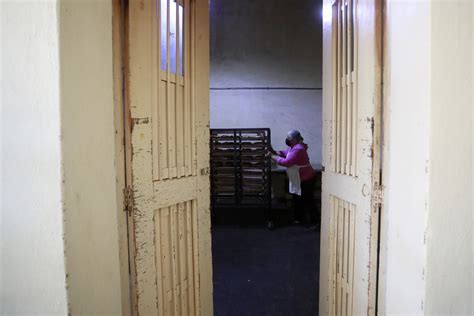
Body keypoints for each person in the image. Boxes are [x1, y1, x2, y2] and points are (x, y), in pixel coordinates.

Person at [268, 130, 316, 226]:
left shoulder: (298, 149)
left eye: (289, 138)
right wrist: (274, 152)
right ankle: (299, 219)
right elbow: (285, 153)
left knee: (308, 200)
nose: (287, 140)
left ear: (294, 140)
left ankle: (315, 222)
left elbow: (287, 162)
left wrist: (273, 157)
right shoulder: (293, 147)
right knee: (297, 199)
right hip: (299, 178)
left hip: (306, 179)